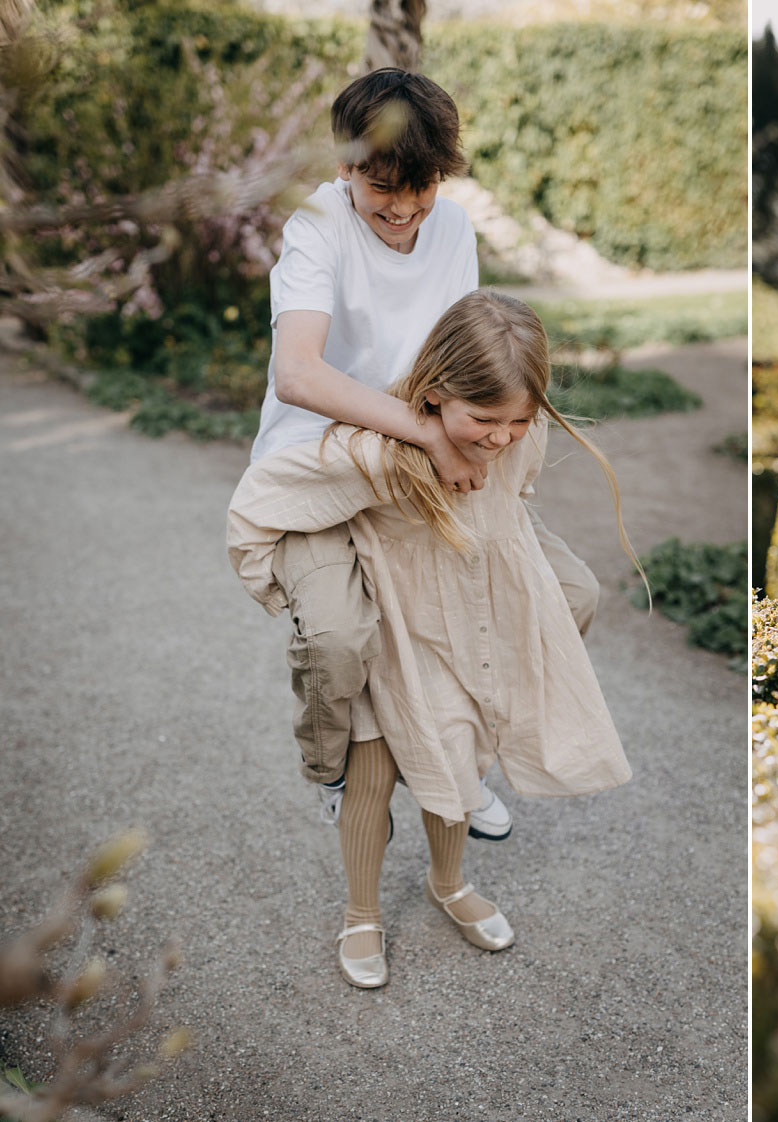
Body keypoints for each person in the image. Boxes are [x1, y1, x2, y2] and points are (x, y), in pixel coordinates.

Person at [228, 290, 638, 988]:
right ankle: (362, 913)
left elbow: (513, 506)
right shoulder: (375, 452)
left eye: (520, 419)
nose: (503, 436)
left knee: (458, 761)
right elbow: (260, 504)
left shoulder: (518, 438)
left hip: (465, 633)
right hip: (389, 635)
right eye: (485, 419)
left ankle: (447, 883)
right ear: (439, 392)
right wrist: (282, 589)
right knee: (373, 777)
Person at [253, 66, 599, 843]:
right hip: (323, 463)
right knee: (340, 639)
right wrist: (429, 435)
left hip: (422, 454)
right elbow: (300, 374)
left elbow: (463, 356)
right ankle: (331, 768)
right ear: (347, 167)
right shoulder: (315, 228)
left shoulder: (453, 228)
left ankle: (461, 760)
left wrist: (473, 436)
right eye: (385, 198)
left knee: (568, 595)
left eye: (424, 193)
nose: (405, 214)